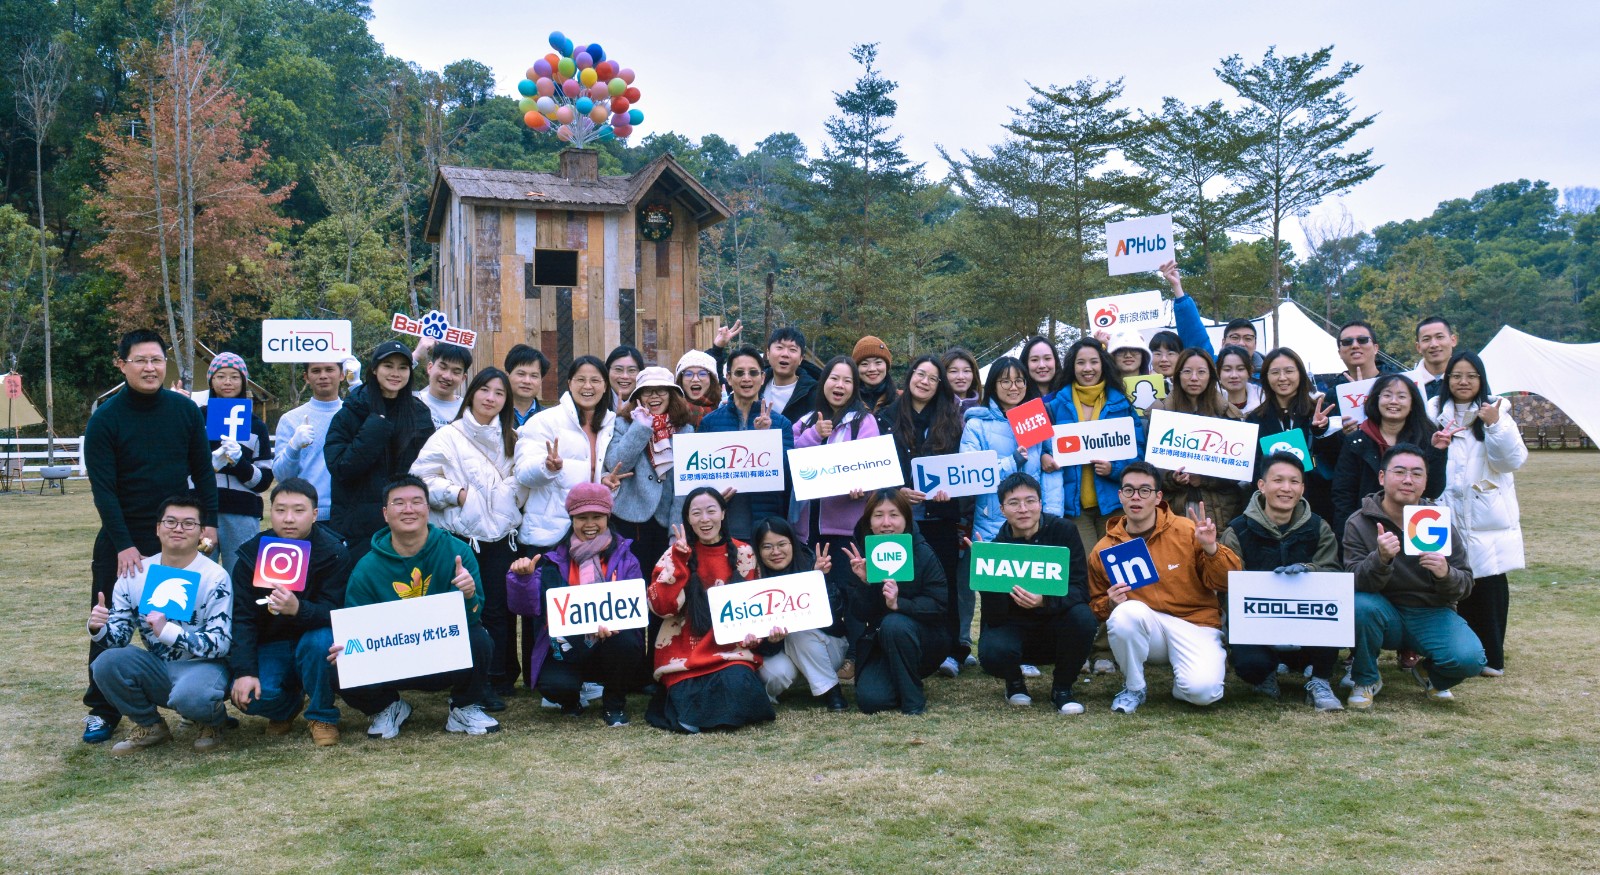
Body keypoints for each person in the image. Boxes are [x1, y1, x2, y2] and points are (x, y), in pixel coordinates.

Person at [81, 329, 219, 744]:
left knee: (181, 620)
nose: (150, 368)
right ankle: (104, 709)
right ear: (121, 365)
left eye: (157, 360)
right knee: (110, 620)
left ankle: (195, 705)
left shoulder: (184, 411)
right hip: (123, 537)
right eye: (140, 360)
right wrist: (124, 544)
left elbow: (203, 471)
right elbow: (103, 490)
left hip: (176, 535)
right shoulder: (105, 419)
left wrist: (209, 523)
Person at [333, 475, 500, 738]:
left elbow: (471, 617)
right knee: (338, 662)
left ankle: (463, 706)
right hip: (393, 658)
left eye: (416, 502)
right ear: (385, 514)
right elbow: (357, 627)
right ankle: (387, 706)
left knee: (479, 639)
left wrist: (468, 595)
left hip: (443, 654)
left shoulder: (457, 552)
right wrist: (346, 646)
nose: (408, 509)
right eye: (399, 503)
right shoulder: (366, 567)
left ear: (428, 509)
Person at [410, 367, 527, 709]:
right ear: (472, 393)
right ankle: (467, 679)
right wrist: (457, 494)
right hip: (462, 536)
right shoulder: (448, 435)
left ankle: (498, 676)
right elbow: (419, 478)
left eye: (499, 393)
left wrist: (508, 494)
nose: (491, 398)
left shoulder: (514, 438)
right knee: (465, 607)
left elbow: (525, 480)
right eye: (485, 390)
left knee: (499, 610)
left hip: (503, 537)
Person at [1088, 462, 1241, 714]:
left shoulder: (1187, 529)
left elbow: (1228, 581)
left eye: (1144, 490)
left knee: (1204, 693)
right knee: (1126, 614)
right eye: (1129, 490)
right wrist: (1111, 603)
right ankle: (1134, 687)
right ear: (1120, 496)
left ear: (1158, 497)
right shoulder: (1105, 548)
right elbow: (1096, 607)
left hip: (1195, 624)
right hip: (1148, 628)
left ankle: (1187, 681)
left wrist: (1211, 548)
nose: (1136, 497)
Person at [87, 494, 232, 754]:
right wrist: (99, 627)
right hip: (159, 665)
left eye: (189, 523)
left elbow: (220, 644)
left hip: (204, 665)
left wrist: (169, 632)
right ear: (157, 528)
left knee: (191, 695)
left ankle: (213, 721)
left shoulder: (215, 576)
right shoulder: (136, 573)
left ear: (201, 532)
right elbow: (118, 640)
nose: (178, 529)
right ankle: (150, 725)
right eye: (170, 522)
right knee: (105, 663)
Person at [1342, 444, 1484, 710]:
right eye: (1400, 472)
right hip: (1381, 611)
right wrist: (1380, 559)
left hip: (1431, 612)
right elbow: (1351, 582)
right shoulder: (1359, 522)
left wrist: (1445, 573)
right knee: (1360, 606)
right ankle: (1365, 679)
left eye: (1417, 474)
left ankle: (1431, 673)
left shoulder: (1438, 521)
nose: (1408, 480)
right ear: (1382, 477)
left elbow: (1465, 584)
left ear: (1425, 482)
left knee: (1470, 659)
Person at [512, 483, 647, 726]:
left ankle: (614, 704)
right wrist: (523, 580)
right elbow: (528, 608)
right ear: (571, 520)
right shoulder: (554, 559)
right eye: (582, 518)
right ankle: (571, 700)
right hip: (568, 646)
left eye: (597, 517)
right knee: (553, 685)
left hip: (611, 643)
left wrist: (615, 626)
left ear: (608, 518)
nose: (590, 524)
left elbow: (633, 609)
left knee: (626, 642)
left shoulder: (627, 558)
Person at [228, 478, 350, 745]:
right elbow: (242, 618)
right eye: (280, 510)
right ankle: (287, 707)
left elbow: (337, 611)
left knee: (320, 641)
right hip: (271, 642)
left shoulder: (334, 552)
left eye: (298, 510)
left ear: (315, 514)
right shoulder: (251, 555)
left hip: (314, 639)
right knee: (248, 697)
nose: (289, 519)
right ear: (270, 512)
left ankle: (322, 716)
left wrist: (298, 609)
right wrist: (245, 671)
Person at [1220, 453, 1346, 711]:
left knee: (1334, 614)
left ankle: (1320, 680)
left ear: (1302, 488)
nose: (1286, 488)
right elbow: (1228, 585)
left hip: (1307, 621)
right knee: (1250, 663)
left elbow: (1332, 573)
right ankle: (1265, 674)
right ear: (1262, 485)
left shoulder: (1319, 527)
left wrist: (1309, 571)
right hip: (1258, 624)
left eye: (1294, 481)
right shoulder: (1237, 530)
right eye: (1278, 480)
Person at [645, 487, 777, 733]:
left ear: (723, 513)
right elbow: (662, 608)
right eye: (696, 513)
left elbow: (756, 608)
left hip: (730, 650)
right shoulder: (673, 554)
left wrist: (754, 636)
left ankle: (703, 716)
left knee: (739, 684)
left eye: (711, 511)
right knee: (688, 693)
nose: (704, 519)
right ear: (688, 519)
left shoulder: (745, 553)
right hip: (683, 651)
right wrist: (679, 562)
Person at [1429, 351, 1526, 677]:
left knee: (1488, 581)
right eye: (1457, 375)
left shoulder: (1497, 412)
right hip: (1445, 508)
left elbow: (1511, 461)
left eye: (1471, 376)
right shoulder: (1432, 412)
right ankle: (1453, 652)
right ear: (1447, 379)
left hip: (1486, 510)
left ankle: (1492, 656)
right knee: (1448, 580)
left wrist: (1494, 425)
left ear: (1482, 380)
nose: (1463, 382)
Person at [972, 473, 1096, 715]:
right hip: (1015, 630)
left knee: (1083, 618)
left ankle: (1062, 688)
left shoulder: (1064, 531)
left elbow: (1080, 590)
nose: (1023, 509)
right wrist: (983, 573)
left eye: (1030, 501)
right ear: (1002, 509)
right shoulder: (996, 547)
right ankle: (1014, 683)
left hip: (1056, 626)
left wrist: (1044, 601)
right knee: (993, 649)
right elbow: (994, 618)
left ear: (1040, 503)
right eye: (1014, 503)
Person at [791, 355, 879, 676]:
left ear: (855, 387)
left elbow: (874, 467)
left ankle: (854, 655)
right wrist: (815, 434)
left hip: (846, 526)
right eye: (833, 378)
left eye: (847, 380)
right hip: (807, 525)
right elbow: (791, 459)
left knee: (849, 589)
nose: (839, 385)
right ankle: (820, 654)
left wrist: (863, 487)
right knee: (817, 591)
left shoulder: (864, 422)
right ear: (823, 382)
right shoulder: (804, 421)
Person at [878, 354, 965, 676]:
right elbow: (876, 466)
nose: (924, 381)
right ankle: (899, 643)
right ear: (910, 375)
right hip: (898, 517)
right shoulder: (886, 417)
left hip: (940, 516)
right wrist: (896, 491)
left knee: (944, 584)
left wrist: (950, 488)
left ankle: (950, 650)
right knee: (899, 582)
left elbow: (961, 469)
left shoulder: (952, 419)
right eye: (920, 374)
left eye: (932, 377)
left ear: (940, 385)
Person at [841, 489, 951, 715]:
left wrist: (899, 604)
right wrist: (865, 583)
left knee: (895, 623)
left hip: (925, 639)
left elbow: (939, 604)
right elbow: (859, 614)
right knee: (871, 701)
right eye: (878, 515)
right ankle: (897, 680)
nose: (886, 523)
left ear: (906, 519)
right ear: (869, 521)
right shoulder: (863, 555)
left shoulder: (922, 552)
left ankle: (913, 699)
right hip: (881, 642)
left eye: (894, 515)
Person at [324, 340, 435, 562]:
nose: (395, 373)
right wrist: (376, 426)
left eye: (402, 367)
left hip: (407, 522)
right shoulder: (351, 411)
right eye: (388, 366)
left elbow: (429, 468)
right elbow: (341, 467)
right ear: (374, 369)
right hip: (356, 528)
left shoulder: (419, 413)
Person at [1046, 338, 1148, 548]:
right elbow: (1042, 447)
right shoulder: (1055, 406)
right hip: (1075, 508)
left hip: (1114, 504)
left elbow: (1139, 455)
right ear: (1072, 367)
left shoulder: (1121, 405)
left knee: (1117, 564)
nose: (1087, 368)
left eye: (1094, 362)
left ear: (1103, 364)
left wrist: (1114, 469)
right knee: (1088, 563)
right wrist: (1044, 457)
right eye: (1080, 362)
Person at [514, 355, 617, 551]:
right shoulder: (545, 421)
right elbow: (522, 473)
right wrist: (546, 467)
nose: (588, 386)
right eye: (581, 380)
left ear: (605, 386)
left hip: (591, 534)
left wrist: (606, 483)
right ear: (569, 384)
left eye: (595, 380)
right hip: (548, 535)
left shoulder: (611, 425)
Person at [753, 517, 849, 712]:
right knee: (775, 674)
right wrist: (772, 641)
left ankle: (832, 691)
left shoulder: (811, 563)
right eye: (767, 547)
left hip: (823, 647)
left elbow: (836, 619)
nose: (776, 552)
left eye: (782, 544)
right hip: (783, 654)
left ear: (793, 543)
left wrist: (818, 580)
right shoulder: (751, 578)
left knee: (798, 630)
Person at [699, 345, 795, 541]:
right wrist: (713, 497)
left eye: (753, 372)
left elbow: (787, 476)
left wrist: (765, 439)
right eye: (739, 373)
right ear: (728, 378)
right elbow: (699, 478)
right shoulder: (710, 422)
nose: (746, 378)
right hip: (722, 527)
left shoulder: (781, 424)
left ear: (763, 377)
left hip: (765, 527)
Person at [604, 366, 693, 576]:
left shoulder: (685, 429)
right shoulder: (623, 423)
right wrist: (641, 428)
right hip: (629, 517)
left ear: (671, 395)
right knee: (631, 579)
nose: (654, 396)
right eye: (647, 391)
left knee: (664, 580)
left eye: (661, 390)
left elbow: (684, 483)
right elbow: (616, 464)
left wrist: (676, 527)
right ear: (638, 396)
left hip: (666, 520)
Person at [1331, 374, 1445, 536]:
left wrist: (1437, 452)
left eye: (1401, 396)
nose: (1393, 401)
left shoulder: (1426, 439)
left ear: (1412, 403)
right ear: (1376, 400)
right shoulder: (1356, 441)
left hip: (1415, 530)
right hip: (1366, 529)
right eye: (1387, 395)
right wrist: (1347, 536)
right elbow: (1343, 494)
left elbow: (1433, 491)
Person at [1151, 348, 1246, 531]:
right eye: (1187, 371)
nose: (1194, 378)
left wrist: (1204, 478)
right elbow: (1150, 467)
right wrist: (1172, 478)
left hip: (1220, 509)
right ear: (1177, 375)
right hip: (1174, 507)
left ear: (1211, 376)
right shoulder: (1160, 414)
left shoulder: (1228, 415)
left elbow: (1239, 470)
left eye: (1201, 372)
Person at [1250, 348, 1342, 526]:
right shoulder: (1255, 419)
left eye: (1289, 371)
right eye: (1275, 372)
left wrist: (1322, 431)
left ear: (1300, 374)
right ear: (1266, 377)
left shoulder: (1321, 411)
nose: (1282, 378)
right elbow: (1254, 468)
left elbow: (1336, 459)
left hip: (1318, 505)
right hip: (1271, 511)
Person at [200, 352, 274, 574]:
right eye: (220, 376)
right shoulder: (197, 417)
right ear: (211, 380)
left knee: (241, 575)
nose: (228, 382)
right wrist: (210, 463)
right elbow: (184, 467)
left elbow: (264, 480)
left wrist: (240, 463)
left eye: (234, 377)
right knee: (198, 574)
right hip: (200, 511)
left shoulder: (256, 425)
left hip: (242, 511)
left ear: (243, 381)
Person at [707, 320, 824, 423]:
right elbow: (715, 384)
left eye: (792, 349)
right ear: (768, 353)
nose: (785, 354)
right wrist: (717, 349)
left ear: (801, 358)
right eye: (779, 347)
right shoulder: (753, 381)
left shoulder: (815, 393)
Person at [273, 361, 345, 522]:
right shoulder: (290, 419)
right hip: (304, 515)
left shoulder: (355, 414)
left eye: (329, 369)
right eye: (316, 371)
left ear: (342, 374)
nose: (323, 376)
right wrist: (293, 447)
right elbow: (281, 476)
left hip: (348, 513)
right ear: (306, 377)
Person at [1158, 260, 1216, 357]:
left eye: (1170, 353)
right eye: (1234, 337)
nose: (1241, 343)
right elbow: (1195, 340)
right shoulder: (1212, 362)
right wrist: (1176, 286)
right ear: (1224, 341)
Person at [418, 341, 471, 428]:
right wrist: (416, 355)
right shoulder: (412, 401)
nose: (447, 376)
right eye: (443, 367)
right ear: (430, 368)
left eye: (456, 372)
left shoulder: (467, 410)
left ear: (463, 378)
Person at [1408, 316, 1459, 400]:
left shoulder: (1468, 381)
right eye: (1426, 339)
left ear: (1453, 340)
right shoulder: (1407, 383)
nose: (1434, 344)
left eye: (1440, 337)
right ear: (1418, 347)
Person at [504, 343, 550, 428]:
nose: (527, 381)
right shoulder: (493, 414)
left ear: (541, 381)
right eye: (521, 374)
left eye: (534, 376)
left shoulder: (550, 418)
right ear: (507, 376)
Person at [675, 349, 721, 427]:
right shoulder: (669, 412)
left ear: (712, 379)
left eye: (702, 374)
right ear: (680, 380)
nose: (695, 379)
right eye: (688, 374)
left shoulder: (725, 409)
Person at [853, 335, 898, 415]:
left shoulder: (901, 400)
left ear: (886, 366)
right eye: (864, 364)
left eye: (878, 362)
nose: (872, 369)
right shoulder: (847, 400)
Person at [1216, 345, 1264, 417]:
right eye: (1227, 370)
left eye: (1240, 369)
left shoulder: (1263, 401)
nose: (1234, 375)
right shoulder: (1208, 402)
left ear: (1250, 371)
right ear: (1218, 372)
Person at [1019, 335, 1062, 399]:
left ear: (1055, 361)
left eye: (1047, 358)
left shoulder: (1070, 394)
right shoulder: (1016, 400)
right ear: (1026, 363)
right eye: (1034, 360)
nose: (1042, 365)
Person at [604, 344, 646, 408]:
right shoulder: (595, 403)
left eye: (631, 370)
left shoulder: (649, 403)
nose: (625, 376)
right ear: (608, 371)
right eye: (618, 369)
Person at [943, 347, 983, 412]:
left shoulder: (982, 413)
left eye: (966, 371)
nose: (961, 377)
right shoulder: (933, 410)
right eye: (953, 371)